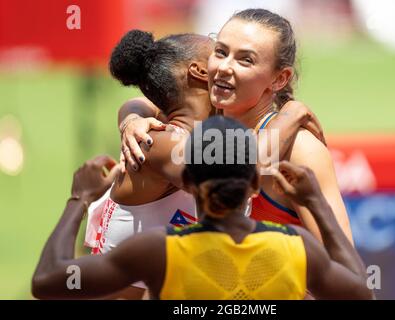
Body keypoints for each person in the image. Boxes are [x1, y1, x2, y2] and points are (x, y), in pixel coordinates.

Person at [85, 30, 324, 299]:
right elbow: (244, 170)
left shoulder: (171, 128)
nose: (227, 65)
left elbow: (137, 102)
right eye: (218, 53)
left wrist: (130, 117)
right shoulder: (158, 143)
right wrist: (292, 113)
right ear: (200, 71)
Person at [32, 116, 373, 300]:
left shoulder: (159, 251)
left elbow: (47, 281)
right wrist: (315, 204)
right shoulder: (295, 248)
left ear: (188, 182)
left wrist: (79, 199)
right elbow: (361, 294)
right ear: (255, 183)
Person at [120, 9, 353, 244]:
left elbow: (344, 264)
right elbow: (141, 103)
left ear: (279, 79)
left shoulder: (299, 149)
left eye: (246, 60)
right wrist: (131, 119)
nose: (224, 67)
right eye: (220, 52)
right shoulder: (204, 120)